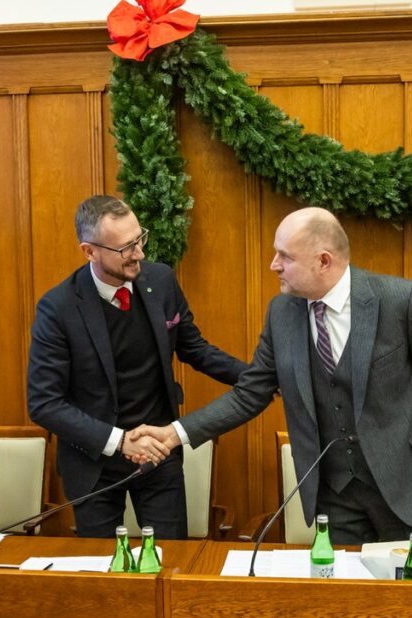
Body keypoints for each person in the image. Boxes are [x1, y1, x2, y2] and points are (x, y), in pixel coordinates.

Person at [132, 207, 412, 545]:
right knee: (342, 595)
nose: (274, 265)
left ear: (323, 261)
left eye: (285, 256)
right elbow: (249, 394)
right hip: (335, 493)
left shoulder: (400, 301)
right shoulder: (282, 313)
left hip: (408, 483)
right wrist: (174, 435)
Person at [27, 195, 248, 539]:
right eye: (126, 247)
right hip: (94, 463)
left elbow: (196, 350)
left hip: (159, 452)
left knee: (169, 563)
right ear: (89, 251)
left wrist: (258, 377)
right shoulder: (57, 308)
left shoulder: (159, 281)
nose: (139, 254)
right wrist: (119, 442)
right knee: (105, 577)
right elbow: (44, 404)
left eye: (139, 239)